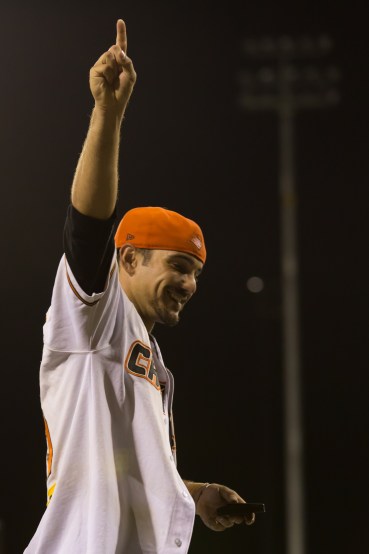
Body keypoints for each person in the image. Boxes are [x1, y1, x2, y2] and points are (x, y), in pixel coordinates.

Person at [24, 19, 255, 554]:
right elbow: (86, 226)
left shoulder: (148, 357)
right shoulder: (95, 315)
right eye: (177, 266)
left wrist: (192, 494)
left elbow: (120, 469)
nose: (190, 283)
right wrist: (108, 113)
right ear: (128, 259)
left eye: (196, 272)